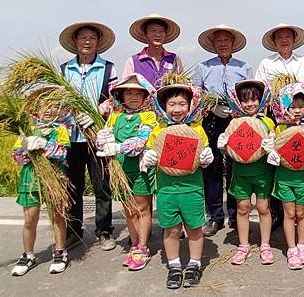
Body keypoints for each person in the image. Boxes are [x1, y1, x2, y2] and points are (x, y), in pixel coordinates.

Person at [141, 83, 214, 288]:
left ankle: (194, 264)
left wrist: (206, 157)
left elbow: (204, 153)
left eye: (182, 103)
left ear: (190, 105)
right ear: (163, 106)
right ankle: (174, 266)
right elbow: (150, 151)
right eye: (171, 104)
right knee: (171, 229)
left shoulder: (197, 129)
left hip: (191, 188)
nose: (177, 109)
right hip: (166, 189)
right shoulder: (158, 129)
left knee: (194, 227)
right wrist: (149, 157)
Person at [58, 21, 118, 250]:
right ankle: (74, 230)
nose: (87, 42)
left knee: (102, 185)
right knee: (73, 185)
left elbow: (115, 101)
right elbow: (57, 101)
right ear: (75, 42)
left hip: (97, 136)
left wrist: (98, 116)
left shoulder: (108, 68)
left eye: (91, 38)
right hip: (70, 137)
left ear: (98, 42)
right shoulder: (64, 70)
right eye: (82, 38)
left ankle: (104, 230)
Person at [255, 23, 304, 231]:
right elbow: (262, 91)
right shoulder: (266, 63)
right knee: (279, 164)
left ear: (293, 39)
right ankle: (277, 213)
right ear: (274, 41)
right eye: (279, 37)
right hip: (279, 115)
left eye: (287, 36)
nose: (284, 40)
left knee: (303, 162)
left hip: (301, 114)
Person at [193, 24, 253, 236]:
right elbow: (196, 97)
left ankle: (236, 213)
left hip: (236, 122)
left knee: (237, 166)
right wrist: (211, 108)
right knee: (213, 169)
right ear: (212, 44)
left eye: (227, 40)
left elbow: (250, 95)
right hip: (212, 122)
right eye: (219, 40)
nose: (223, 43)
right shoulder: (203, 67)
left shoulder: (244, 67)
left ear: (233, 43)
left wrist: (236, 111)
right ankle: (215, 216)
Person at [94, 74, 157, 271]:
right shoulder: (115, 116)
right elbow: (103, 140)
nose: (133, 97)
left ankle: (143, 247)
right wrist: (101, 139)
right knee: (129, 211)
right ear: (121, 95)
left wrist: (118, 148)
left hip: (140, 169)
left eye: (138, 93)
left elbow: (141, 142)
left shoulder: (148, 115)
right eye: (128, 92)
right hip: (119, 171)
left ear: (145, 96)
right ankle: (134, 243)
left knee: (142, 208)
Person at [10, 87, 71, 276]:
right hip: (30, 180)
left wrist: (45, 145)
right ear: (36, 109)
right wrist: (25, 149)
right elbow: (16, 157)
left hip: (54, 179)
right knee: (30, 219)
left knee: (57, 216)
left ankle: (60, 251)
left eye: (53, 106)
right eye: (44, 105)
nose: (49, 110)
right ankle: (28, 254)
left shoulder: (60, 129)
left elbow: (62, 154)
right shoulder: (27, 131)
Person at [217, 80, 275, 265]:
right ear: (238, 102)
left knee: (264, 208)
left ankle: (265, 244)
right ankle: (243, 245)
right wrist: (223, 147)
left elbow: (275, 149)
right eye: (245, 100)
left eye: (254, 99)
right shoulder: (234, 123)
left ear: (261, 100)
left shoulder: (267, 122)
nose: (250, 104)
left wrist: (271, 146)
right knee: (242, 208)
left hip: (263, 172)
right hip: (241, 173)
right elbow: (229, 150)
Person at [267, 82, 304, 269]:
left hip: (303, 179)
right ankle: (291, 248)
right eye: (293, 107)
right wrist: (271, 152)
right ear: (284, 108)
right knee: (289, 213)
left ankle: (302, 245)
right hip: (283, 178)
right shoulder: (280, 129)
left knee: (301, 212)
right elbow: (272, 149)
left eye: (301, 106)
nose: (298, 111)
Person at [123, 14, 184, 87]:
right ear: (145, 34)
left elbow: (181, 85)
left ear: (165, 35)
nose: (158, 35)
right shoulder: (133, 61)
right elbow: (126, 88)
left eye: (162, 31)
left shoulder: (174, 59)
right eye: (153, 31)